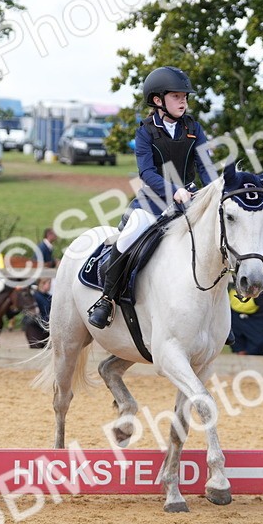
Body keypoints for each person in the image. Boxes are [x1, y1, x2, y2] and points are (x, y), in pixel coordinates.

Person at [88, 66, 214, 328]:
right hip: (153, 202)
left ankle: (217, 314)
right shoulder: (145, 131)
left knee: (216, 239)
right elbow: (146, 173)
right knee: (128, 237)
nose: (183, 102)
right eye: (176, 97)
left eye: (185, 97)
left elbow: (205, 167)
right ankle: (106, 299)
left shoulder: (194, 127)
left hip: (189, 201)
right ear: (158, 100)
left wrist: (216, 190)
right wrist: (174, 190)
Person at [25, 278, 52, 349]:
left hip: (45, 327)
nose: (50, 285)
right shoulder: (35, 297)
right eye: (49, 283)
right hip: (35, 329)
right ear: (43, 283)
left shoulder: (48, 296)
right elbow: (34, 313)